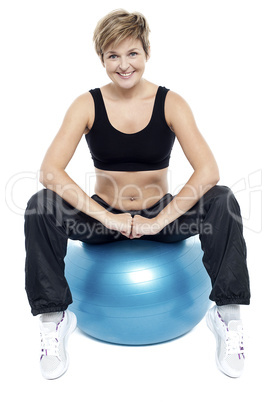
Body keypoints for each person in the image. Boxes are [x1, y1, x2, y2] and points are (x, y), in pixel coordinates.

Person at [24, 9, 250, 380]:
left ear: (146, 53)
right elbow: (50, 171)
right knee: (39, 207)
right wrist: (110, 218)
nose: (124, 65)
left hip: (160, 216)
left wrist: (158, 220)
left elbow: (208, 171)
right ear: (102, 59)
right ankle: (53, 319)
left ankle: (228, 317)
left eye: (132, 53)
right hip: (103, 218)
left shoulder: (171, 102)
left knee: (223, 199)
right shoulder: (87, 104)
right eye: (113, 55)